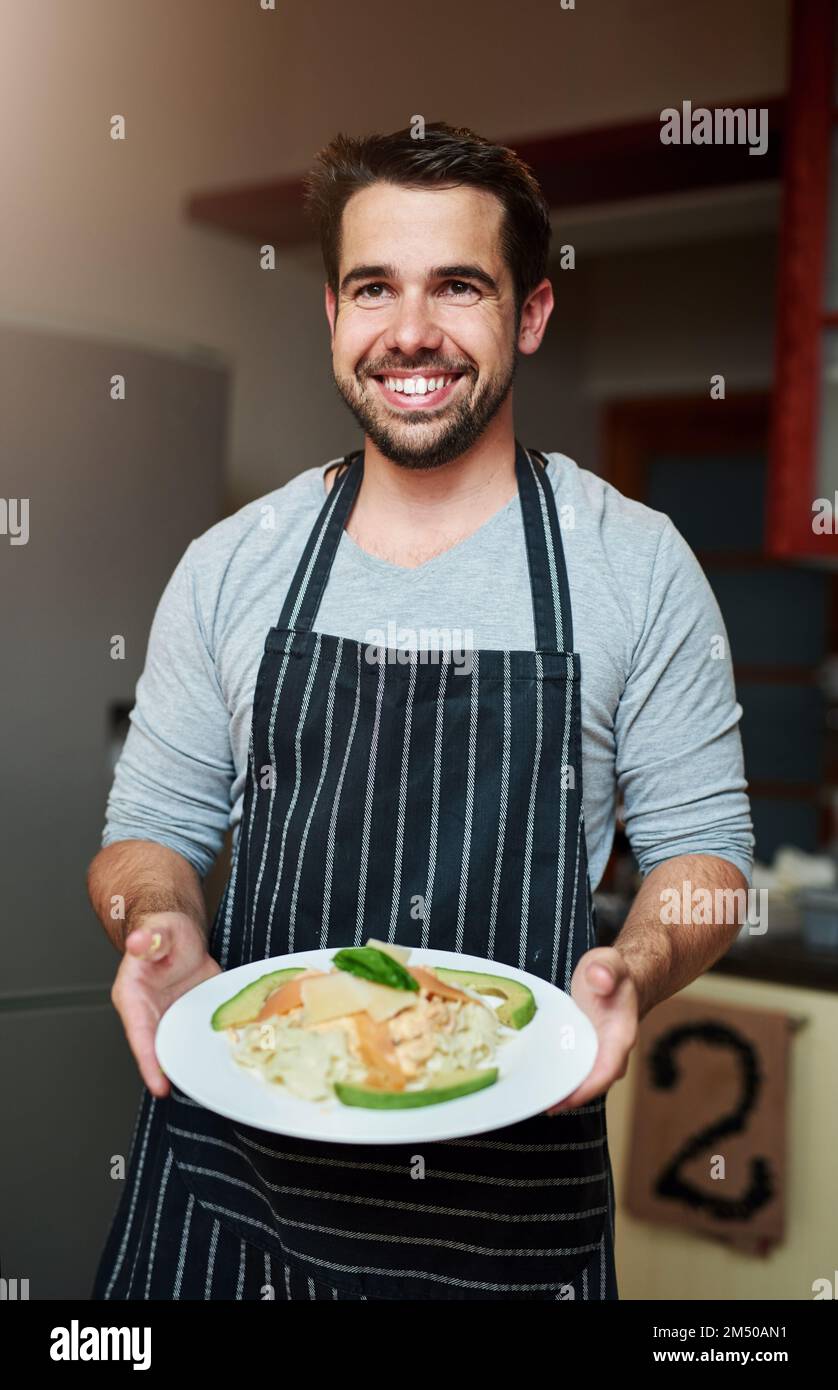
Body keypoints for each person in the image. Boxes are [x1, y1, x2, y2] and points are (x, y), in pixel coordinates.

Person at [87, 122, 753, 1301]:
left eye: (458, 286)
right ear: (332, 317)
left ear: (530, 314)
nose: (410, 332)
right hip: (226, 1195)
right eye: (372, 289)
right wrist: (156, 923)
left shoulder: (633, 565)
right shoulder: (236, 562)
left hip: (506, 1222)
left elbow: (708, 860)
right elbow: (150, 829)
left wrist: (637, 968)